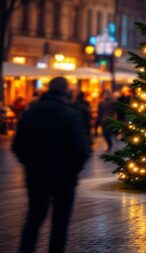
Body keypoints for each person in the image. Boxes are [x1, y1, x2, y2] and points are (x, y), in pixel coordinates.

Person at [12, 77, 90, 253]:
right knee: (60, 223)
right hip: (64, 179)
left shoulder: (29, 114)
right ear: (65, 92)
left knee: (33, 218)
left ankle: (26, 249)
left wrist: (30, 164)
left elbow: (17, 146)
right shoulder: (71, 116)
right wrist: (73, 170)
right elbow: (80, 150)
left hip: (36, 177)